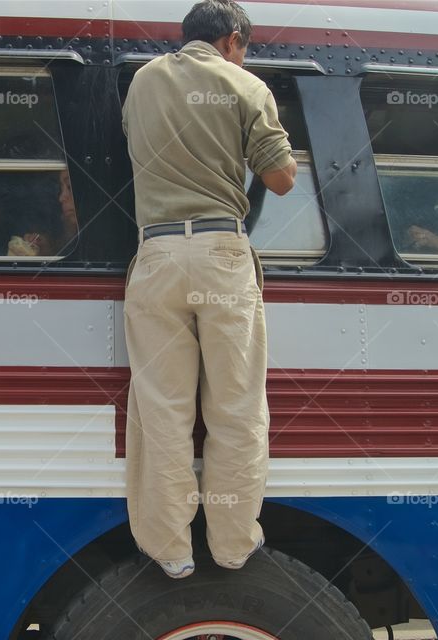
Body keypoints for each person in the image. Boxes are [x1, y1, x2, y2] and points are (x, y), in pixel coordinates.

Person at [121, 0, 297, 579]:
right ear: (232, 40)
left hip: (157, 254)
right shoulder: (244, 84)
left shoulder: (143, 82)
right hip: (222, 253)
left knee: (162, 409)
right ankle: (231, 543)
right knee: (236, 407)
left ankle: (171, 550)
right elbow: (281, 180)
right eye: (244, 45)